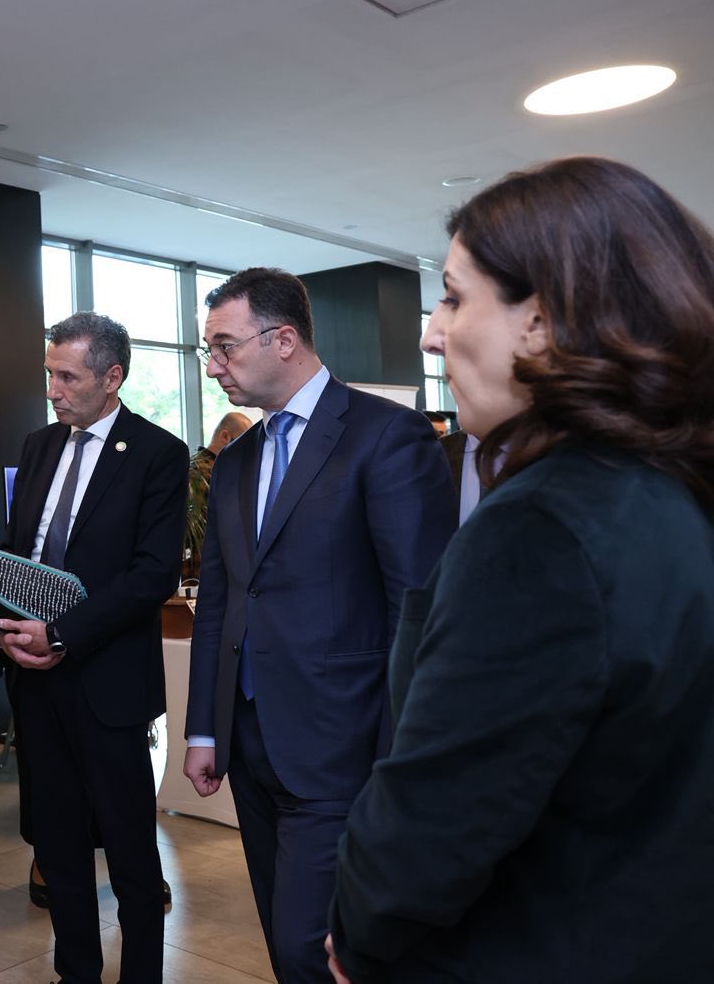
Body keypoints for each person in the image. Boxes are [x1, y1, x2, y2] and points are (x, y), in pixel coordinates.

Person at [326, 157, 714, 983]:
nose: (431, 333)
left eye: (453, 297)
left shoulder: (542, 529)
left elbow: (433, 825)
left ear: (539, 322)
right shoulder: (672, 493)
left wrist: (359, 931)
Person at [182, 268, 454, 983]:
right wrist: (205, 728)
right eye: (207, 351)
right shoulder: (234, 461)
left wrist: (400, 758)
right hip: (250, 744)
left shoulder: (385, 435)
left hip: (343, 745)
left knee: (312, 946)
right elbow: (220, 603)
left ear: (284, 340)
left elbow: (418, 610)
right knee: (284, 940)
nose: (212, 366)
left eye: (224, 347)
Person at [0, 311, 188, 984]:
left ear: (112, 377)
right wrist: (11, 629)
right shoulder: (39, 445)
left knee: (131, 853)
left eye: (68, 377)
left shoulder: (158, 453)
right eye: (50, 373)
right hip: (36, 681)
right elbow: (21, 554)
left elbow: (152, 575)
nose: (53, 389)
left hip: (108, 684)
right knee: (58, 846)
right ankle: (74, 972)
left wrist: (62, 634)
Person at [183, 411, 253, 584]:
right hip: (205, 570)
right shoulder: (203, 474)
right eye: (244, 443)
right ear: (225, 436)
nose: (248, 451)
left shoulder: (198, 470)